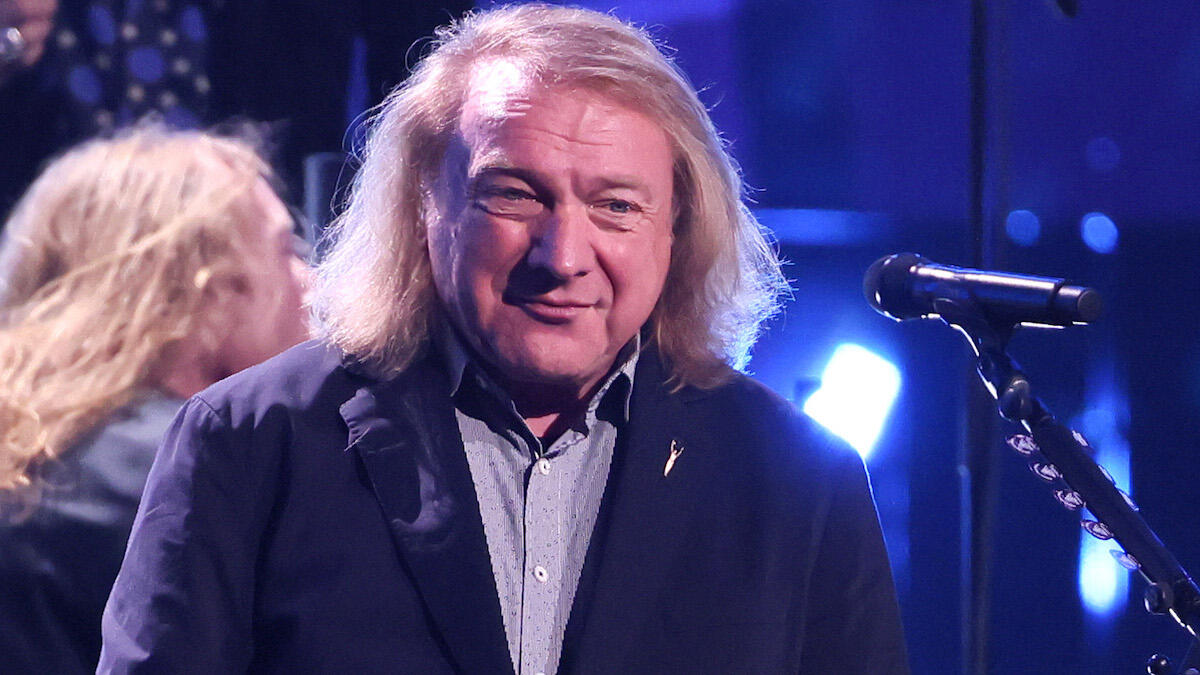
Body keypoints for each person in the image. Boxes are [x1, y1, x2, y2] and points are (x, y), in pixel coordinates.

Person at [101, 5, 910, 673]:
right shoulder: (248, 442)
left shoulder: (804, 481)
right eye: (515, 195)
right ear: (424, 203)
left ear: (678, 228)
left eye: (616, 206)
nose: (563, 256)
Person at [0, 124, 311, 673]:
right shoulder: (196, 471)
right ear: (212, 287)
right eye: (286, 250)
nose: (310, 280)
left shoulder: (28, 448)